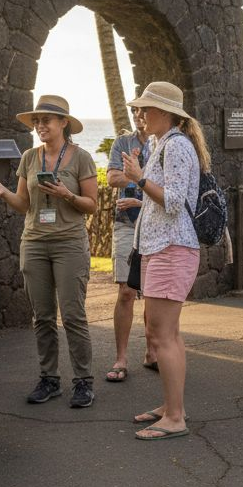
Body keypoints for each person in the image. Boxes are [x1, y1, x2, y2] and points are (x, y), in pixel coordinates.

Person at [0, 94, 99, 408]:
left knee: (73, 315)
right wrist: (3, 192)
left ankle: (84, 382)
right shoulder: (30, 157)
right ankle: (49, 379)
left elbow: (92, 206)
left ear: (63, 124)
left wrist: (66, 194)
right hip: (34, 242)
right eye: (37, 121)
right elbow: (24, 205)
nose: (40, 125)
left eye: (46, 119)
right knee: (42, 317)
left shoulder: (81, 158)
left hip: (69, 243)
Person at [118, 81, 210, 440]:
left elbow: (172, 200)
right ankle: (172, 407)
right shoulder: (163, 144)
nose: (140, 115)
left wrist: (138, 179)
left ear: (167, 113)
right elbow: (170, 201)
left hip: (172, 249)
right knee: (165, 334)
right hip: (163, 246)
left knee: (163, 335)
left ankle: (175, 417)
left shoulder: (176, 146)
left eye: (146, 109)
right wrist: (141, 189)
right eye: (139, 109)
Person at [105, 106, 153, 382]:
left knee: (153, 294)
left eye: (142, 111)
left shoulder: (167, 142)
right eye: (133, 111)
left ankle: (153, 351)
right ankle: (120, 358)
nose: (137, 115)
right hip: (126, 222)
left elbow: (169, 183)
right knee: (125, 290)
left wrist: (135, 173)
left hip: (155, 226)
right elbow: (112, 178)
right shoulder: (123, 142)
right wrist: (144, 174)